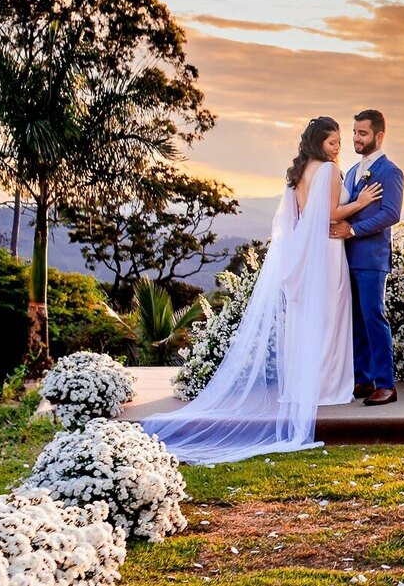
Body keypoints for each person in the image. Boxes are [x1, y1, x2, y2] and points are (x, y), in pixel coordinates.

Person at [141, 116, 382, 464]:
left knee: (306, 318)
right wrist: (361, 203)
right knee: (330, 317)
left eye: (340, 141)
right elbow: (330, 213)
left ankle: (303, 385)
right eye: (333, 142)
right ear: (319, 143)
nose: (338, 147)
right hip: (326, 251)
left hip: (304, 249)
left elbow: (299, 216)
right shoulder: (328, 170)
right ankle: (327, 388)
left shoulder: (299, 171)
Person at [329, 109, 404, 406]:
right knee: (356, 321)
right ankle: (363, 379)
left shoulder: (391, 172)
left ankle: (386, 384)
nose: (356, 139)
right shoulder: (351, 171)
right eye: (355, 133)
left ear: (379, 136)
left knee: (374, 318)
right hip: (346, 257)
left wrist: (353, 231)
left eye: (363, 133)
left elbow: (391, 214)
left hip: (372, 258)